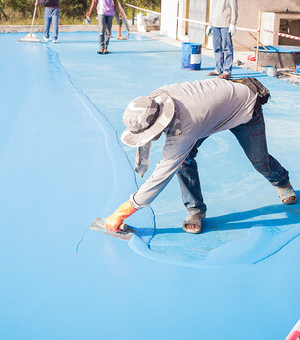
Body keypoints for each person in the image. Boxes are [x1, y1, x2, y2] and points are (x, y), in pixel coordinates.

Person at [104, 78, 297, 234]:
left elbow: (161, 176)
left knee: (260, 161)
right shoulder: (156, 99)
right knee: (184, 160)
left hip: (244, 107)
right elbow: (146, 131)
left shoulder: (185, 128)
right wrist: (142, 164)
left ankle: (282, 182)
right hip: (210, 113)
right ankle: (195, 211)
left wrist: (121, 213)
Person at [206, 0, 238, 79]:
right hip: (215, 23)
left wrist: (233, 23)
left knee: (227, 48)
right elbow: (212, 9)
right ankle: (218, 69)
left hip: (225, 23)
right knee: (217, 48)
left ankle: (227, 71)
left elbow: (234, 8)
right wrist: (210, 24)